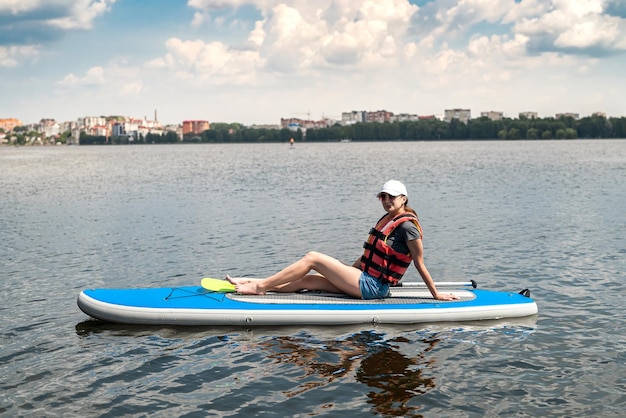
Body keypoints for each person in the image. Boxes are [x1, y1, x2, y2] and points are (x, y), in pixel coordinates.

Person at [227, 180, 459, 301]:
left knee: (313, 258)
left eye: (391, 197)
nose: (386, 201)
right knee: (308, 280)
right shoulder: (388, 220)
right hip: (364, 280)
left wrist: (435, 294)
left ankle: (259, 287)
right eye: (383, 197)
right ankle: (251, 282)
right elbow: (367, 257)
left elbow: (420, 264)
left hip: (373, 287)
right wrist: (346, 271)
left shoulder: (408, 227)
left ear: (404, 198)